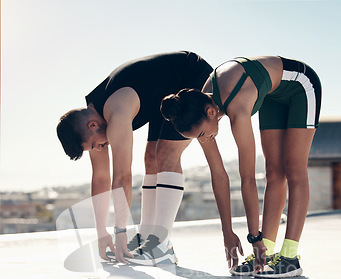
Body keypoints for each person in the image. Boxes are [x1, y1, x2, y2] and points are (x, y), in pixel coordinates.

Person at [57, 51, 242, 267]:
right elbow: (100, 179)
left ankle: (161, 245)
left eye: (93, 145)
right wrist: (101, 233)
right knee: (150, 159)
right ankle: (147, 239)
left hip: (189, 77)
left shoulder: (116, 113)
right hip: (161, 94)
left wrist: (120, 232)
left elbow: (122, 177)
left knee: (165, 153)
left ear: (92, 125)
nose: (99, 148)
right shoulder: (93, 120)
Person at [160, 56, 322, 278]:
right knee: (273, 172)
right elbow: (219, 175)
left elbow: (247, 179)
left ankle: (290, 257)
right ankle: (265, 254)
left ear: (210, 113)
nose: (205, 139)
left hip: (301, 86)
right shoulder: (196, 105)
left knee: (293, 168)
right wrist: (227, 232)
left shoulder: (237, 107)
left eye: (201, 134)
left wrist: (253, 237)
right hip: (272, 96)